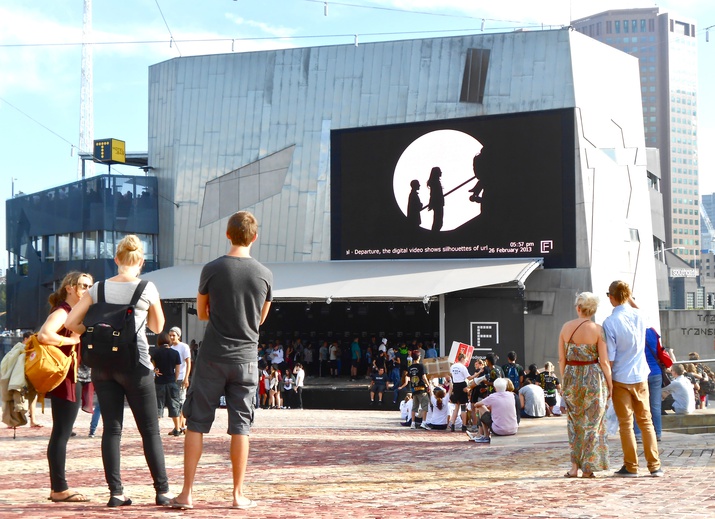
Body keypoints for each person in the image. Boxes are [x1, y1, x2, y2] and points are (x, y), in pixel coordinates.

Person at [172, 210, 272, 510]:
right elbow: (259, 320)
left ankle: (187, 493)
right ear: (255, 237)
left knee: (197, 424)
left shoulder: (212, 269)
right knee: (241, 427)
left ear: (228, 234)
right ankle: (238, 494)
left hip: (214, 356)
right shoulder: (265, 274)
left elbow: (202, 313)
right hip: (246, 358)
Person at [66, 235, 173, 506]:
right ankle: (162, 491)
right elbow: (158, 327)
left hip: (103, 366)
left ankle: (116, 492)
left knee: (111, 429)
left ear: (116, 259)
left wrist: (90, 334)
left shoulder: (97, 289)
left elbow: (71, 321)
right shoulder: (146, 287)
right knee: (149, 430)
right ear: (141, 261)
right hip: (135, 364)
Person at [38, 271, 93, 503]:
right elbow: (44, 335)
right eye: (82, 285)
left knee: (61, 431)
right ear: (69, 287)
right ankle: (59, 488)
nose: (86, 289)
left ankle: (58, 486)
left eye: (90, 286)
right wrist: (71, 340)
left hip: (70, 376)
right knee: (61, 432)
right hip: (65, 377)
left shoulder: (74, 312)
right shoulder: (63, 311)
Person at [603, 280, 663, 477]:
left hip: (621, 377)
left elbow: (610, 358)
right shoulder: (639, 316)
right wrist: (629, 298)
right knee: (646, 421)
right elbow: (641, 312)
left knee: (626, 424)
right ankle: (654, 465)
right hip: (641, 375)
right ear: (627, 296)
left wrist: (608, 384)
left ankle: (631, 466)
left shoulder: (609, 323)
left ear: (611, 297)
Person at [558, 292, 612, 478]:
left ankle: (574, 467)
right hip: (594, 378)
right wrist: (610, 384)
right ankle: (588, 468)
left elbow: (561, 359)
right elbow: (604, 361)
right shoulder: (598, 330)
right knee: (593, 423)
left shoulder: (566, 328)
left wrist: (564, 381)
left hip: (572, 376)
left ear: (578, 308)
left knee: (574, 423)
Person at [634, 328, 664, 442]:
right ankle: (658, 433)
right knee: (655, 405)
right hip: (656, 372)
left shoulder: (634, 332)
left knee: (638, 404)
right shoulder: (653, 332)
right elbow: (659, 350)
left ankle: (638, 434)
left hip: (640, 372)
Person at [152, 331, 182, 436]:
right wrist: (175, 379)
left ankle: (156, 430)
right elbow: (177, 369)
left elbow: (152, 365)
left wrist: (155, 370)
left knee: (158, 405)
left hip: (159, 382)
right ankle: (177, 429)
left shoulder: (155, 352)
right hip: (171, 381)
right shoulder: (175, 353)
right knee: (174, 405)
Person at [471, 378, 518, 443]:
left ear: (495, 388)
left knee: (480, 407)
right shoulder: (511, 395)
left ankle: (485, 436)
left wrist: (485, 407)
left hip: (498, 430)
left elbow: (476, 404)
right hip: (513, 429)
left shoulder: (492, 396)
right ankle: (482, 434)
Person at [169, 326, 192, 433]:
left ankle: (181, 426)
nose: (172, 337)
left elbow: (188, 363)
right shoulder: (170, 348)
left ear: (179, 336)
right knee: (175, 403)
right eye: (170, 336)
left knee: (181, 402)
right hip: (172, 378)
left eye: (174, 335)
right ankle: (180, 427)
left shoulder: (184, 347)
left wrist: (186, 377)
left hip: (181, 377)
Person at [426, 166, 444, 232]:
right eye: (440, 171)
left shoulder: (435, 182)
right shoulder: (435, 183)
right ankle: (434, 236)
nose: (441, 173)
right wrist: (431, 203)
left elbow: (432, 194)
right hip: (438, 203)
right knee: (438, 222)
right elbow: (433, 194)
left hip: (438, 203)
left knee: (438, 221)